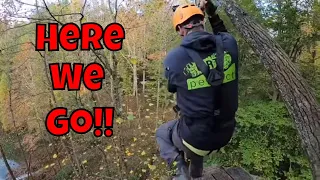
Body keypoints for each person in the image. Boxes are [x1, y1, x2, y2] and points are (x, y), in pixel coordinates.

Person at [155, 1, 239, 179]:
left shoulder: (174, 58)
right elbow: (222, 33)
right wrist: (212, 12)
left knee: (163, 132)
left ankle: (180, 170)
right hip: (226, 132)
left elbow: (171, 88)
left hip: (196, 138)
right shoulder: (230, 45)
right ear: (203, 22)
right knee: (197, 133)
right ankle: (196, 175)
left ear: (180, 30)